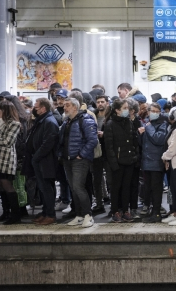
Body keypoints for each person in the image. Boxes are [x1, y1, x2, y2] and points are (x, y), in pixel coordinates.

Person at [57, 97, 98, 228]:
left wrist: (81, 154)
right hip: (67, 159)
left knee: (79, 187)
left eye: (67, 105)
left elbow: (92, 140)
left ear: (75, 107)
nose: (64, 107)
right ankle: (79, 215)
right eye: (64, 105)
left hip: (79, 159)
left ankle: (88, 215)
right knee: (73, 188)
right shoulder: (66, 122)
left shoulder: (85, 120)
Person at [22, 98, 59, 225]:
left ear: (43, 109)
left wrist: (36, 157)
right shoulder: (42, 120)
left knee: (47, 188)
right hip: (39, 160)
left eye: (36, 108)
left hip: (45, 161)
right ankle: (45, 212)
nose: (34, 110)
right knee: (43, 189)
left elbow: (48, 143)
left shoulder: (49, 122)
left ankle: (50, 215)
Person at [104, 98, 138, 223]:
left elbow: (133, 141)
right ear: (117, 110)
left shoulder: (128, 122)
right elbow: (109, 146)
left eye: (127, 108)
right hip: (117, 162)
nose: (127, 111)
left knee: (126, 187)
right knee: (116, 188)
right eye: (124, 108)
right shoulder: (110, 124)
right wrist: (113, 163)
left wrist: (135, 157)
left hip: (129, 160)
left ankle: (125, 210)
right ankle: (115, 210)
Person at [137, 102, 169, 223]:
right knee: (148, 187)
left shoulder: (162, 124)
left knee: (156, 188)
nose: (155, 113)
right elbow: (142, 143)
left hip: (156, 161)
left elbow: (159, 139)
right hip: (146, 161)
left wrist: (148, 128)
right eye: (152, 111)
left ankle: (156, 212)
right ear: (148, 112)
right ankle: (151, 210)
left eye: (157, 111)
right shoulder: (145, 123)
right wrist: (139, 134)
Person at [0, 100, 23, 225]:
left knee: (7, 185)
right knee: (0, 186)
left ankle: (15, 215)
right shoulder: (0, 123)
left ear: (6, 110)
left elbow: (7, 142)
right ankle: (6, 212)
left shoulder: (15, 124)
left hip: (6, 159)